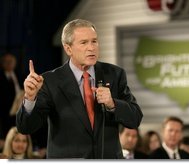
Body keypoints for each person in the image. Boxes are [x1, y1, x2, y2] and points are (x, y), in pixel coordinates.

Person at [16, 19, 143, 159]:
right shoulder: (50, 81)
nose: (91, 47)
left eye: (94, 41)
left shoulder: (114, 74)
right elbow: (26, 128)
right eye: (84, 42)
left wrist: (112, 104)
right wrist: (30, 98)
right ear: (68, 48)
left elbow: (135, 117)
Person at [0, 53, 24, 151]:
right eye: (6, 61)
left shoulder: (20, 74)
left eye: (11, 61)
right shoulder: (1, 76)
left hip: (21, 111)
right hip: (5, 114)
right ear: (2, 63)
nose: (9, 63)